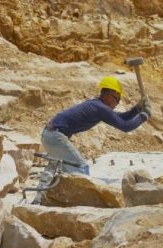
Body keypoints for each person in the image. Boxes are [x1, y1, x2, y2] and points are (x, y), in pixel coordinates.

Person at [32, 76, 151, 204]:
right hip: (56, 136)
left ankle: (42, 198)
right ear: (109, 96)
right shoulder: (100, 108)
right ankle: (79, 202)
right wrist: (145, 115)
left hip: (50, 134)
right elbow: (125, 127)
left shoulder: (97, 106)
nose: (117, 103)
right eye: (117, 99)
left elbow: (121, 117)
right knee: (81, 168)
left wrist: (138, 109)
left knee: (57, 165)